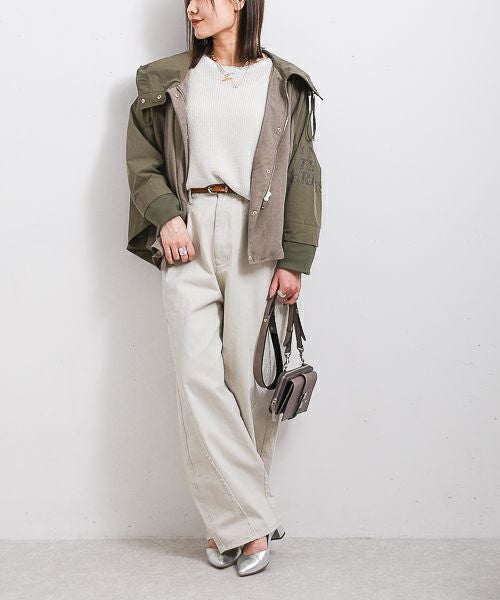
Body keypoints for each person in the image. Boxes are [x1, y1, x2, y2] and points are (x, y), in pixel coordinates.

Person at [125, 0, 323, 577]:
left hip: (254, 236)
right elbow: (141, 161)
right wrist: (166, 216)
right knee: (197, 379)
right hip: (185, 231)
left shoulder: (284, 84)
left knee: (244, 381)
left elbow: (304, 173)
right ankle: (252, 522)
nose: (192, 7)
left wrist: (296, 259)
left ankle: (227, 525)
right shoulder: (167, 79)